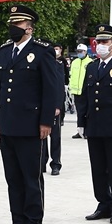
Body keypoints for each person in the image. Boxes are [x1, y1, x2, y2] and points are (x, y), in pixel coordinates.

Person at [0, 5, 62, 224]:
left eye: (18, 24)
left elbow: (50, 88)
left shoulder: (41, 51)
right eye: (11, 23)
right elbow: (0, 88)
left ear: (30, 28)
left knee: (32, 179)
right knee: (13, 179)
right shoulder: (4, 51)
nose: (13, 27)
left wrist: (46, 121)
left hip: (32, 125)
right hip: (9, 125)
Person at [77, 25, 112, 224]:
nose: (100, 45)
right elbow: (84, 96)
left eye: (104, 42)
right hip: (94, 126)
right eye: (98, 42)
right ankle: (103, 203)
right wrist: (81, 122)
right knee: (98, 168)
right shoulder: (91, 67)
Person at [41, 46, 68, 175]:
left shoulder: (57, 65)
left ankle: (55, 163)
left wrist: (57, 106)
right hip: (40, 106)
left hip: (53, 107)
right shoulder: (39, 64)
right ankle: (42, 162)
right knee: (41, 136)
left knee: (55, 136)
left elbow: (59, 86)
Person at [68, 44, 91, 139]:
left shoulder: (90, 62)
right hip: (76, 91)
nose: (79, 53)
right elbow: (71, 75)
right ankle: (80, 130)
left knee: (87, 112)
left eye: (81, 51)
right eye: (78, 51)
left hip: (86, 91)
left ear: (86, 52)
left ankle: (87, 130)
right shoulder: (75, 62)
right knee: (80, 112)